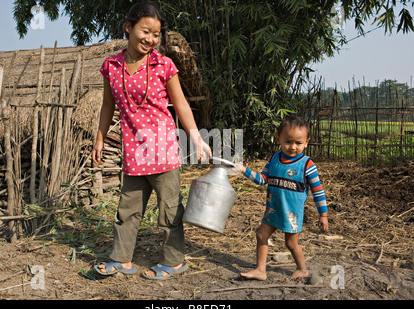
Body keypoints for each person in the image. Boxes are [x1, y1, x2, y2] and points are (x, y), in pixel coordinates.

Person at [91, 2, 211, 280]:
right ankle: (121, 259)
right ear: (128, 27)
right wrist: (100, 138)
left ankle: (174, 261)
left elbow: (180, 103)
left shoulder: (163, 64)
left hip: (163, 148)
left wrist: (196, 137)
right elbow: (108, 106)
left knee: (169, 210)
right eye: (145, 31)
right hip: (134, 150)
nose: (150, 39)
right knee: (128, 209)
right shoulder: (111, 66)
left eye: (156, 35)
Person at [235, 115, 328, 280]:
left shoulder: (307, 165)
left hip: (292, 213)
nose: (293, 147)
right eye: (288, 142)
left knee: (291, 243)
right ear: (279, 139)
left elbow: (318, 191)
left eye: (298, 143)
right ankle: (260, 270)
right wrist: (244, 170)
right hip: (273, 209)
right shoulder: (273, 160)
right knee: (261, 235)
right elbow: (262, 180)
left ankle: (302, 269)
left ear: (307, 141)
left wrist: (323, 215)